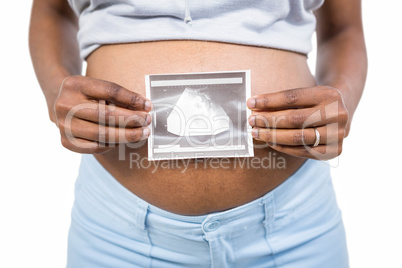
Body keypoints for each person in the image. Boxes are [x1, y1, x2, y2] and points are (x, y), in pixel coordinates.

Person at [29, 0, 367, 267]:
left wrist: (344, 96)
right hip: (118, 233)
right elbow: (53, 9)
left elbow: (343, 28)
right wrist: (56, 88)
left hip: (295, 226)